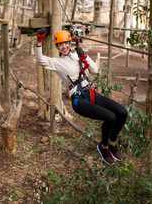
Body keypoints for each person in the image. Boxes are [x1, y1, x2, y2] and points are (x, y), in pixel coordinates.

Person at [35, 28, 128, 165]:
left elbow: (95, 70)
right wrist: (39, 41)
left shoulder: (78, 54)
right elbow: (40, 59)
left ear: (70, 43)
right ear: (57, 47)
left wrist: (84, 56)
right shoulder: (57, 62)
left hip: (91, 92)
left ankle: (111, 143)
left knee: (122, 112)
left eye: (66, 43)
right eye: (60, 44)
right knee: (110, 116)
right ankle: (103, 147)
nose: (64, 46)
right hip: (79, 100)